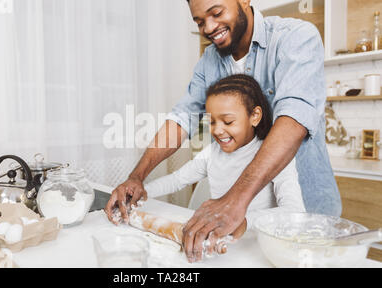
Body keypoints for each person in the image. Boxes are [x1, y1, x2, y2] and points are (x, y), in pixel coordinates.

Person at [105, 0, 342, 263]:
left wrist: (234, 202)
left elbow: (293, 120)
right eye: (199, 22)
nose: (208, 27)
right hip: (244, 238)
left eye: (216, 13)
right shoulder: (209, 61)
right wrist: (137, 177)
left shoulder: (295, 38)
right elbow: (183, 117)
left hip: (307, 219)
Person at [143, 74, 306, 261]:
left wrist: (244, 222)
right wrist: (141, 192)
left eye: (228, 122)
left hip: (262, 252)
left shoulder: (275, 156)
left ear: (255, 116)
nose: (218, 130)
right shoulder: (211, 153)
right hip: (221, 251)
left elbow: (295, 212)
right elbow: (177, 180)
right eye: (212, 122)